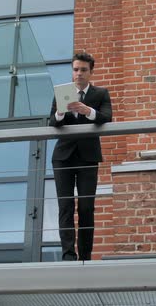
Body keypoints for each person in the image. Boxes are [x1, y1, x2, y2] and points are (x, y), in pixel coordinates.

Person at [49, 52, 113, 261]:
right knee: (65, 206)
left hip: (88, 156)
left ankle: (85, 255)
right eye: (75, 69)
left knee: (86, 206)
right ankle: (68, 255)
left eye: (83, 70)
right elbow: (52, 122)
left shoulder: (100, 93)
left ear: (90, 72)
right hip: (63, 157)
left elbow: (106, 117)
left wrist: (87, 111)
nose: (78, 73)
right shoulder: (63, 92)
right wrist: (60, 111)